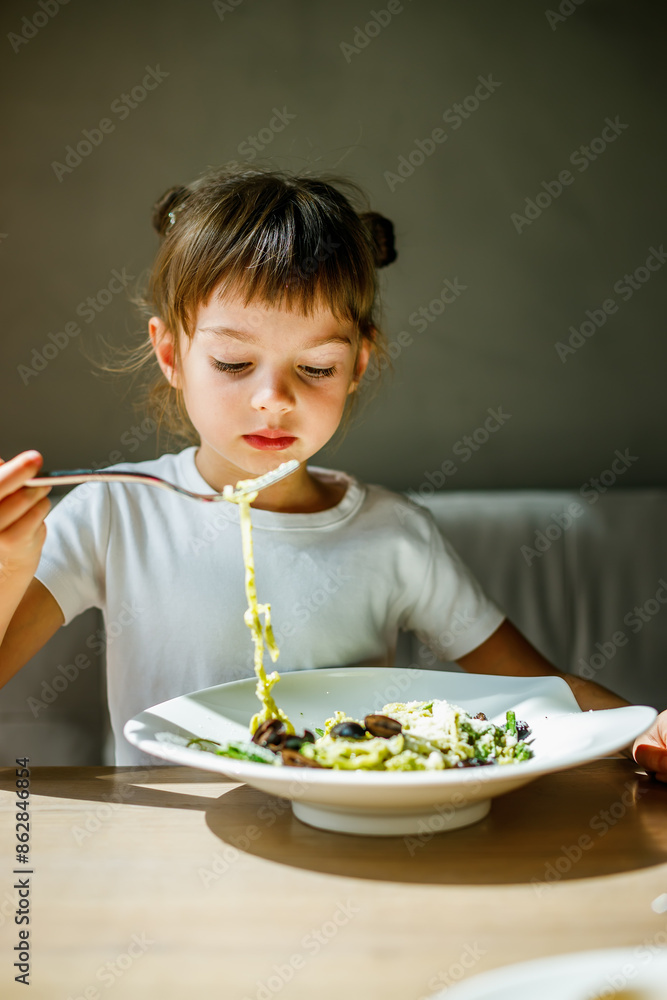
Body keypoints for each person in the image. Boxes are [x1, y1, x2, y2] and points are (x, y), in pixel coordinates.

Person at [0, 165, 665, 776]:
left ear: (357, 365)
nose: (273, 399)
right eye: (233, 364)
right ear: (171, 355)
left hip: (348, 862)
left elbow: (537, 693)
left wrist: (645, 732)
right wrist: (6, 565)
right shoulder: (115, 513)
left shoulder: (395, 536)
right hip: (163, 866)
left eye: (315, 368)